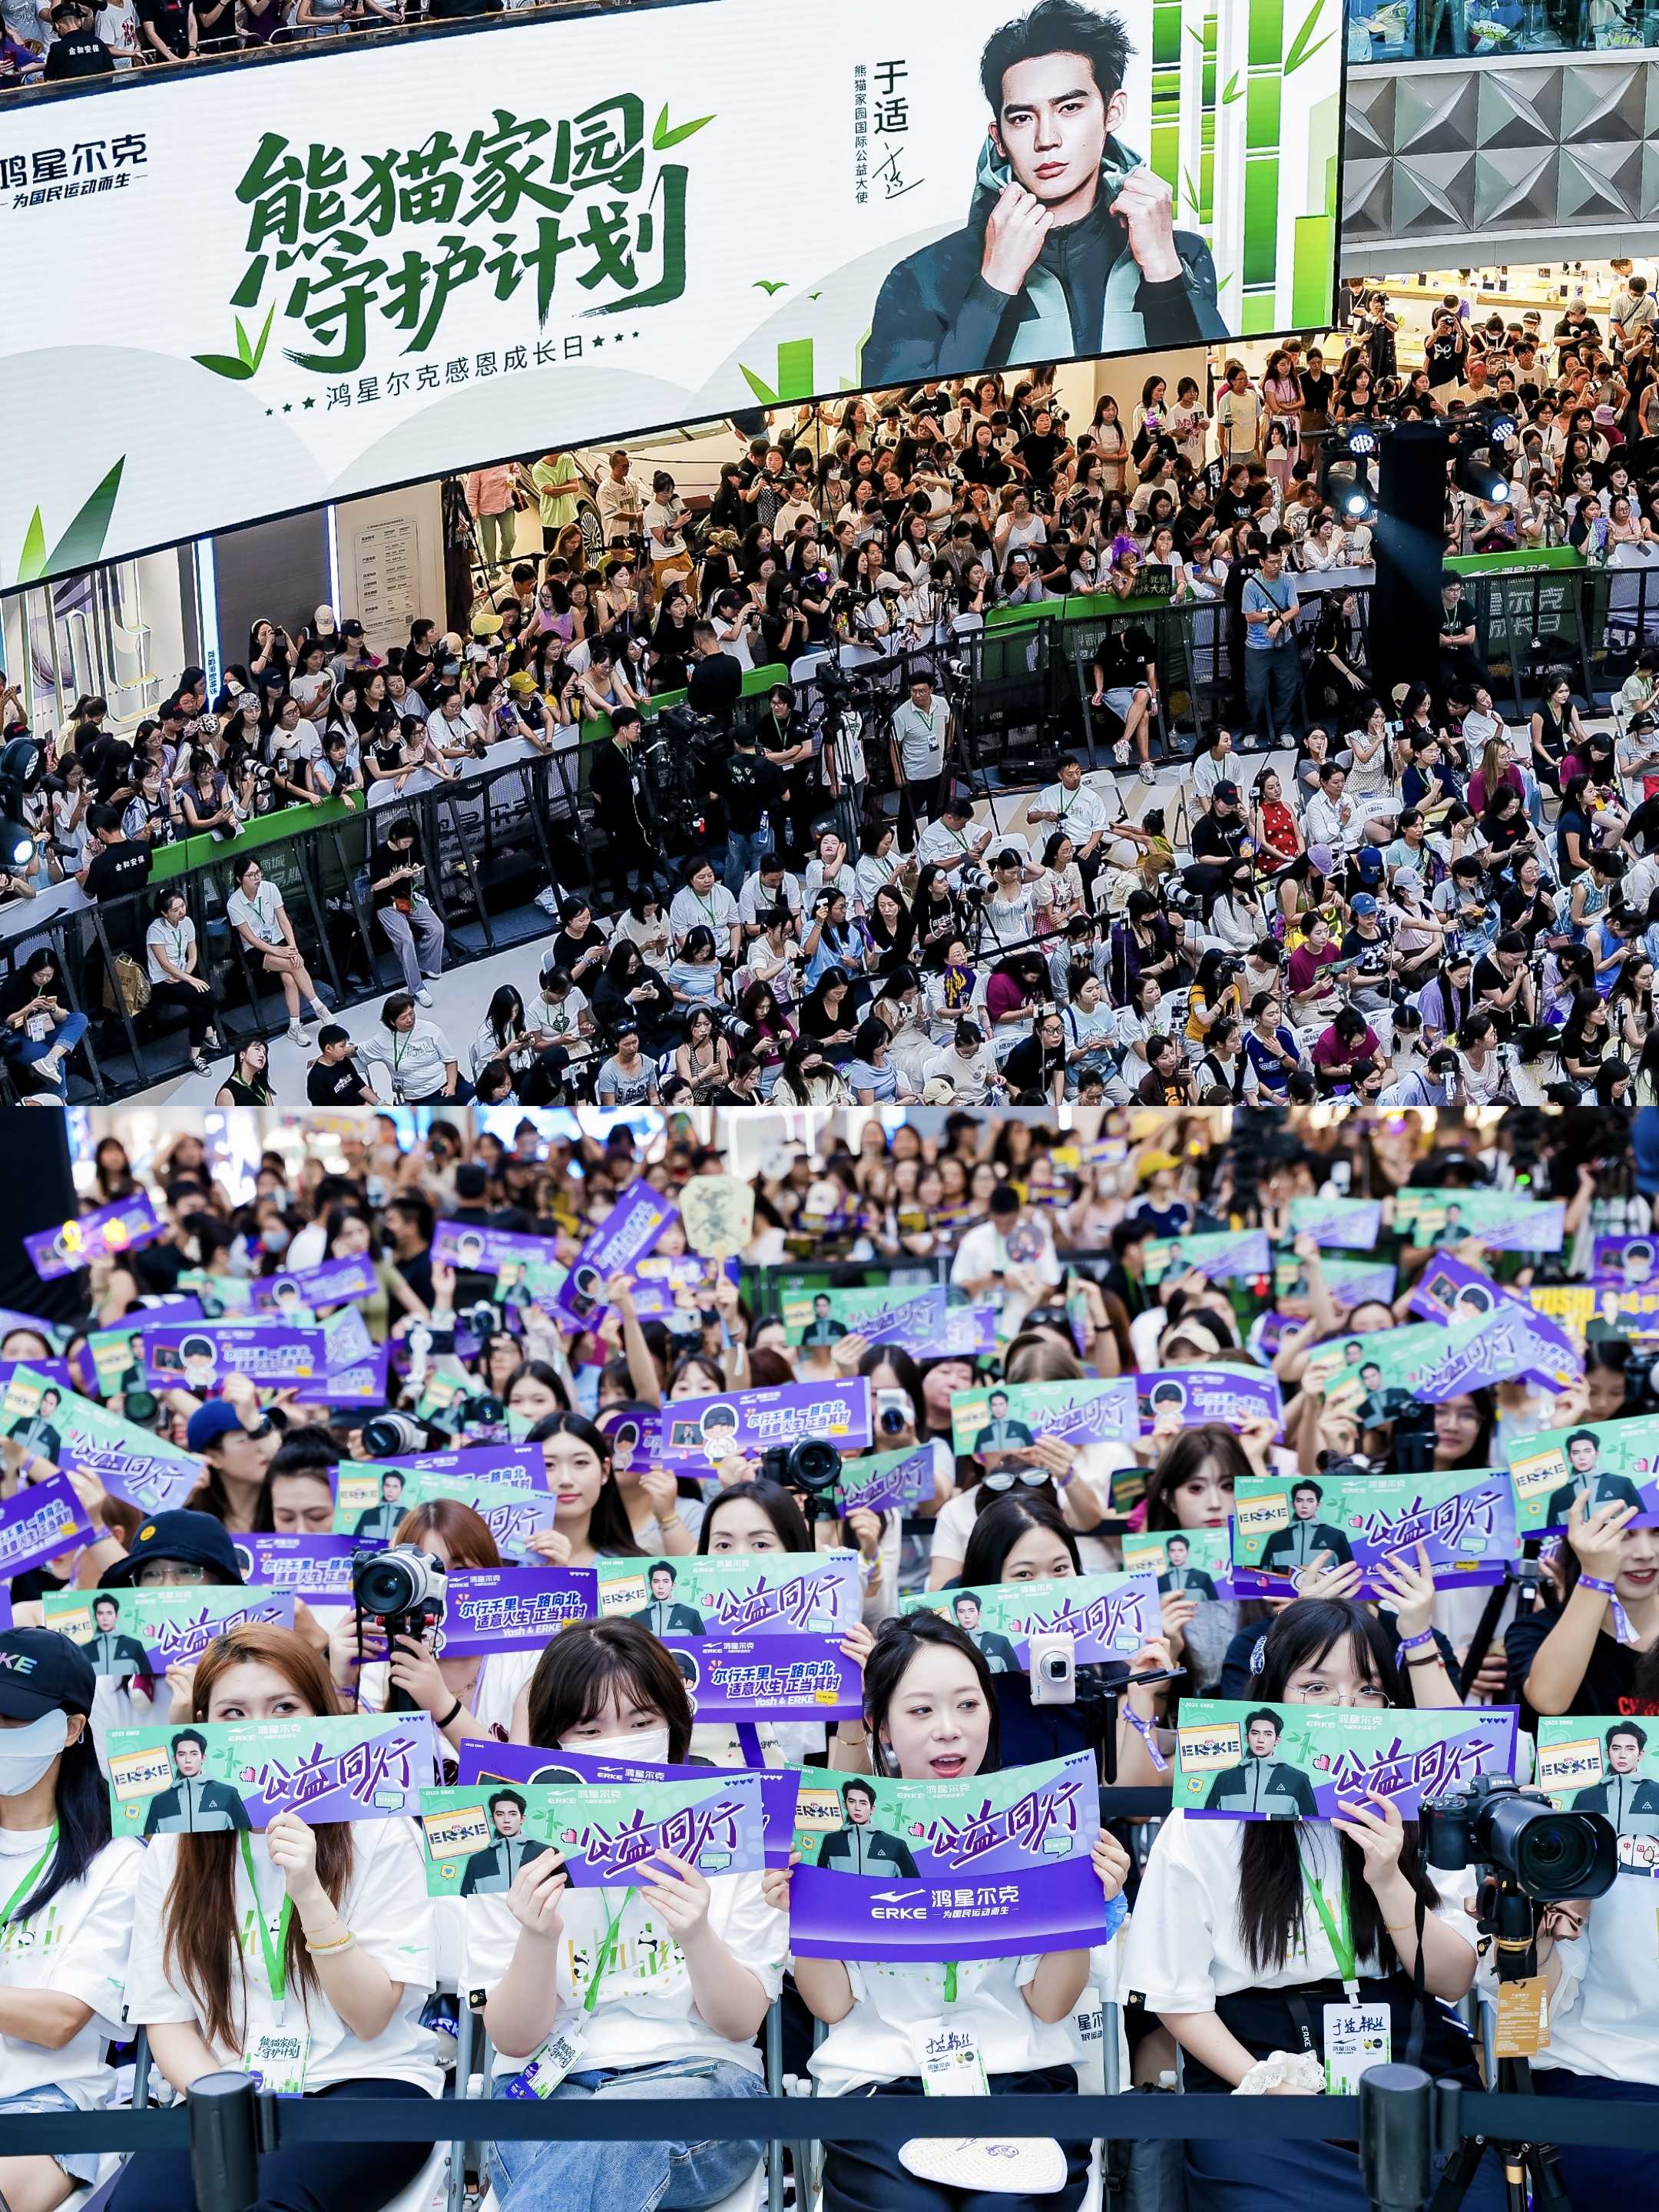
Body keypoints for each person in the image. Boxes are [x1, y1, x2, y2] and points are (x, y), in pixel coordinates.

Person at [1124, 1601, 1502, 2212]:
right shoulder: (1208, 1816)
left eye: (1367, 1689)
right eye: (1317, 1687)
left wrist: (1389, 1880)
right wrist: (1265, 2083)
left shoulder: (1421, 1807)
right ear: (1272, 1696)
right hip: (1257, 2063)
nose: (1344, 1708)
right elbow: (1176, 1996)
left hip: (1409, 2064)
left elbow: (1452, 1979)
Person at [787, 1612, 1130, 2212]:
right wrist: (807, 1907)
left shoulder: (1038, 1819)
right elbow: (832, 2006)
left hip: (1019, 2084)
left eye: (968, 1705)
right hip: (883, 2087)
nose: (949, 1730)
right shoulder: (841, 1840)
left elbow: (1050, 2004)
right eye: (921, 1711)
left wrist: (1079, 1901)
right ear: (881, 1726)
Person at [113, 1626, 438, 2212]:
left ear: (321, 1716)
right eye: (233, 1714)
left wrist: (309, 1893)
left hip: (368, 2083)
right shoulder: (176, 1842)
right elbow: (167, 2019)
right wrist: (223, 2103)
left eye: (284, 1708)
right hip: (222, 2091)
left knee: (272, 2205)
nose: (259, 1731)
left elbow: (370, 2018)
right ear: (202, 1730)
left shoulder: (379, 1829)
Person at [470, 1619, 785, 2212]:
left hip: (701, 2078)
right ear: (552, 1741)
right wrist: (537, 1937)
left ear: (675, 1724)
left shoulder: (732, 1824)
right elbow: (511, 2038)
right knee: (593, 2145)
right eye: (590, 1729)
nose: (618, 1744)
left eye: (641, 1723)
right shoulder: (507, 1842)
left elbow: (741, 2023)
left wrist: (696, 1934)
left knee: (620, 2129)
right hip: (548, 2086)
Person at [863, 0, 1226, 379]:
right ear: (999, 138)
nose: (1046, 138)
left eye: (1069, 108)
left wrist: (1165, 271)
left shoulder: (1183, 253)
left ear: (1112, 111)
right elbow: (909, 411)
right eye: (1022, 118)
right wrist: (992, 287)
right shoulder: (922, 278)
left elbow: (1203, 385)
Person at [0, 1628, 142, 2212]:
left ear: (71, 1729)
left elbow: (59, 2020)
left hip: (43, 2103)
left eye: (14, 1718)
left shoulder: (117, 1861)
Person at [368, 817, 445, 1007]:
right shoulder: (381, 853)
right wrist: (398, 876)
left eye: (410, 842)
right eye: (405, 842)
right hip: (386, 903)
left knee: (437, 928)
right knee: (405, 939)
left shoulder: (412, 848)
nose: (408, 845)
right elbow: (375, 886)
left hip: (406, 897)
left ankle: (427, 965)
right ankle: (416, 987)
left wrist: (416, 870)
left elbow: (417, 863)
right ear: (395, 837)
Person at [1200, 1708, 1319, 1816]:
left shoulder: (1297, 1779)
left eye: (1268, 1734)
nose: (1260, 1740)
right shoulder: (1224, 1778)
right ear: (1246, 1738)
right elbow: (1206, 1821)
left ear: (1277, 1740)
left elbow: (1311, 1825)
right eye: (1255, 1733)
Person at [140, 1729, 251, 1835]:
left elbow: (245, 1835)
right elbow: (150, 1841)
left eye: (194, 1754)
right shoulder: (159, 1802)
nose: (188, 1760)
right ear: (175, 1760)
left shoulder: (227, 1794)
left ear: (203, 1758)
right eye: (182, 1754)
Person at [814, 1778, 921, 1876]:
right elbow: (819, 1881)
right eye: (852, 1801)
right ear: (845, 1805)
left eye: (863, 1803)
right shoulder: (831, 1841)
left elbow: (915, 1886)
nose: (857, 1808)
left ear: (872, 1809)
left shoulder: (896, 1845)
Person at [1257, 1479, 1356, 1577]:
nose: (1304, 1506)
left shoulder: (1336, 1536)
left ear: (1318, 1505)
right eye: (1299, 1501)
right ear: (1293, 1505)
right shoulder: (1276, 1539)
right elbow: (1263, 1575)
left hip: (1324, 1587)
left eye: (1310, 1501)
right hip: (1283, 1587)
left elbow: (1348, 1573)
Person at [458, 1790, 549, 1897]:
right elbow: (465, 1901)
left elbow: (563, 1895)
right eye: (500, 1814)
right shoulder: (477, 1861)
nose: (506, 1820)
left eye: (513, 1814)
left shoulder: (545, 1853)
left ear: (522, 1818)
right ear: (492, 1819)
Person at [950, 1589, 1021, 1672]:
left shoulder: (1000, 1641)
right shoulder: (951, 1643)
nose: (967, 1616)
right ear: (956, 1616)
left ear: (979, 1614)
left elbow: (1016, 1673)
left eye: (971, 1611)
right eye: (962, 1612)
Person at [631, 1561, 707, 1637]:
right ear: (650, 1586)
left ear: (673, 1585)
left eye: (666, 1581)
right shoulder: (637, 1619)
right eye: (656, 1581)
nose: (661, 1586)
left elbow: (703, 1642)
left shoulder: (691, 1615)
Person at [86, 1594, 148, 1679]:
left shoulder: (134, 1646)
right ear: (95, 1617)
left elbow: (147, 1678)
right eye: (100, 1613)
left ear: (116, 1616)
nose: (105, 1618)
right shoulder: (84, 1651)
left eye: (109, 1613)